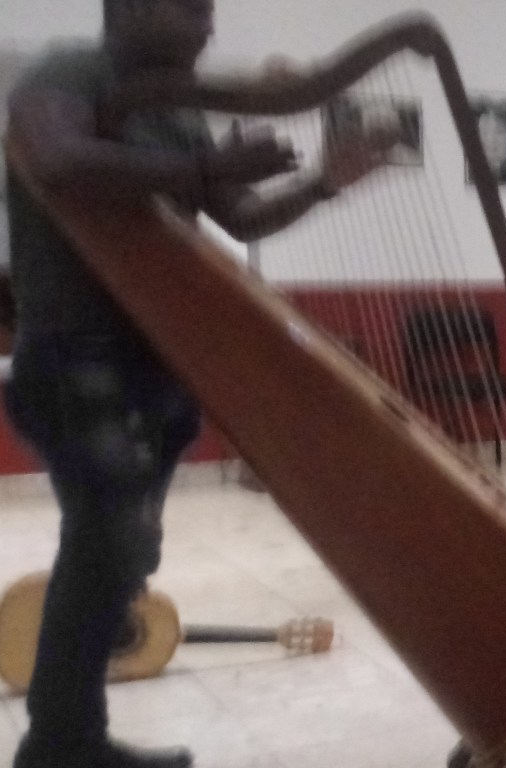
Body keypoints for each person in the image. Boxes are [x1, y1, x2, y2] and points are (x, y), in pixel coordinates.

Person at [4, 1, 394, 764]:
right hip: (76, 357)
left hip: (153, 359)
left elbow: (240, 216)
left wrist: (325, 182)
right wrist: (202, 171)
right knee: (110, 541)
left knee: (123, 552)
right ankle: (58, 743)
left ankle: (71, 736)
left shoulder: (177, 115)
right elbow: (56, 160)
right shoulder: (70, 71)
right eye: (189, 7)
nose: (207, 27)